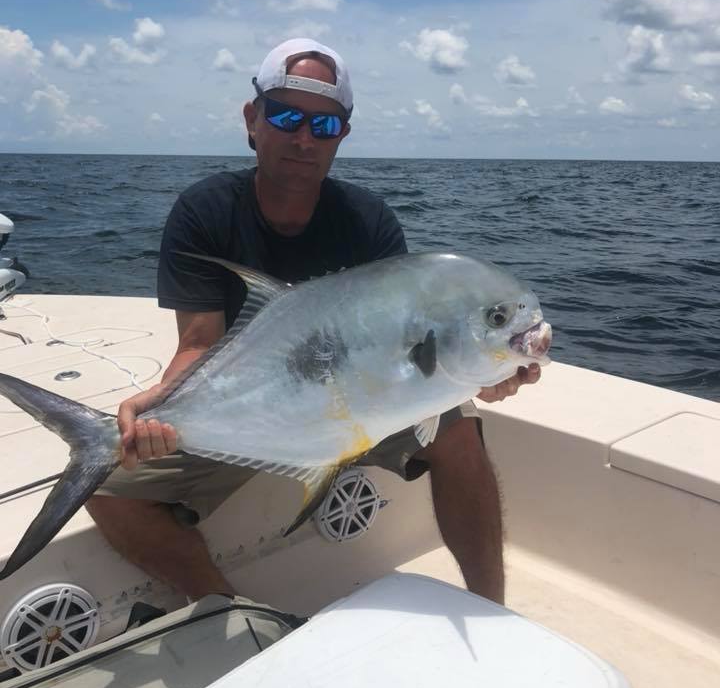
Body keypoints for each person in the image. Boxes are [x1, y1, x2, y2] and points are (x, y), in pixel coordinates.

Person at [86, 37, 541, 606]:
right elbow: (199, 342)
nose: (304, 138)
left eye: (324, 126)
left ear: (342, 135)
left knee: (459, 436)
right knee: (107, 491)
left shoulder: (369, 222)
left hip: (366, 398)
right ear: (253, 119)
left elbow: (409, 353)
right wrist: (162, 406)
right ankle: (227, 608)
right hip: (254, 403)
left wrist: (481, 374)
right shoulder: (205, 211)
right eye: (286, 116)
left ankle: (492, 609)